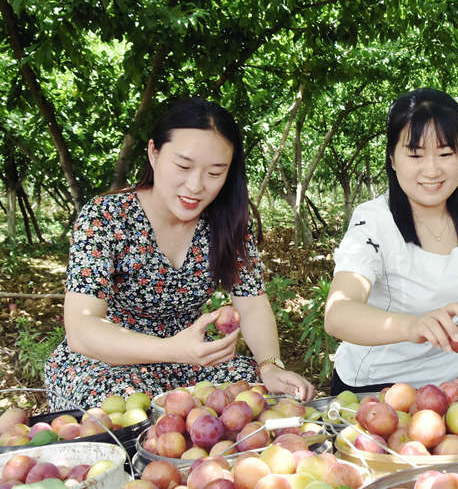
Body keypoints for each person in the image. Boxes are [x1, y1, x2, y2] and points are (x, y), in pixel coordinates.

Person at [45, 98, 315, 410]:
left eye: (215, 173)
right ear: (154, 153)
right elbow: (82, 329)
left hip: (191, 359)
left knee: (252, 396)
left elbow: (252, 303)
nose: (196, 185)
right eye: (183, 166)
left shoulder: (227, 221)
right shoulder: (106, 217)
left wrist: (270, 365)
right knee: (127, 412)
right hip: (109, 361)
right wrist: (171, 348)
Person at [323, 88, 458, 394]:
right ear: (393, 159)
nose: (432, 169)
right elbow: (339, 313)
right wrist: (411, 326)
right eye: (415, 154)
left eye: (445, 153)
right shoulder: (373, 221)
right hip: (379, 389)